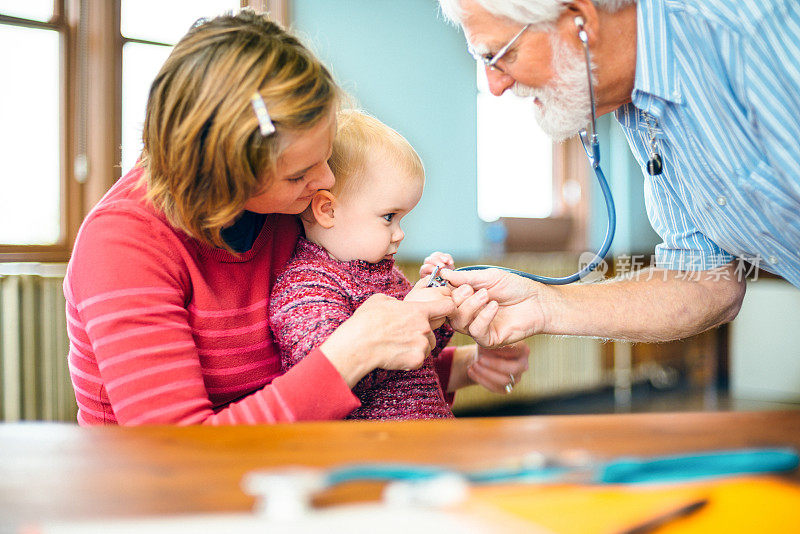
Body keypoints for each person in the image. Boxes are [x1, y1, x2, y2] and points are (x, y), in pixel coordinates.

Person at [64, 9, 529, 425]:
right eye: (299, 174)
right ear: (227, 175)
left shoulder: (285, 212)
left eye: (324, 157)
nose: (325, 180)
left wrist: (460, 365)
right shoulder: (123, 245)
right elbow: (180, 448)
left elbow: (303, 372)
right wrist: (356, 346)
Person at [436, 0, 800, 347]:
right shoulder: (636, 104)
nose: (495, 86)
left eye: (497, 56)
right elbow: (704, 279)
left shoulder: (753, 30)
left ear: (581, 19)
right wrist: (543, 305)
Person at [271, 110, 463, 420]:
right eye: (389, 217)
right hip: (367, 455)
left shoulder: (386, 276)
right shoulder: (305, 285)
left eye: (402, 219)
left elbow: (419, 354)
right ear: (328, 210)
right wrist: (413, 313)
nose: (399, 234)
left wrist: (440, 306)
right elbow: (330, 374)